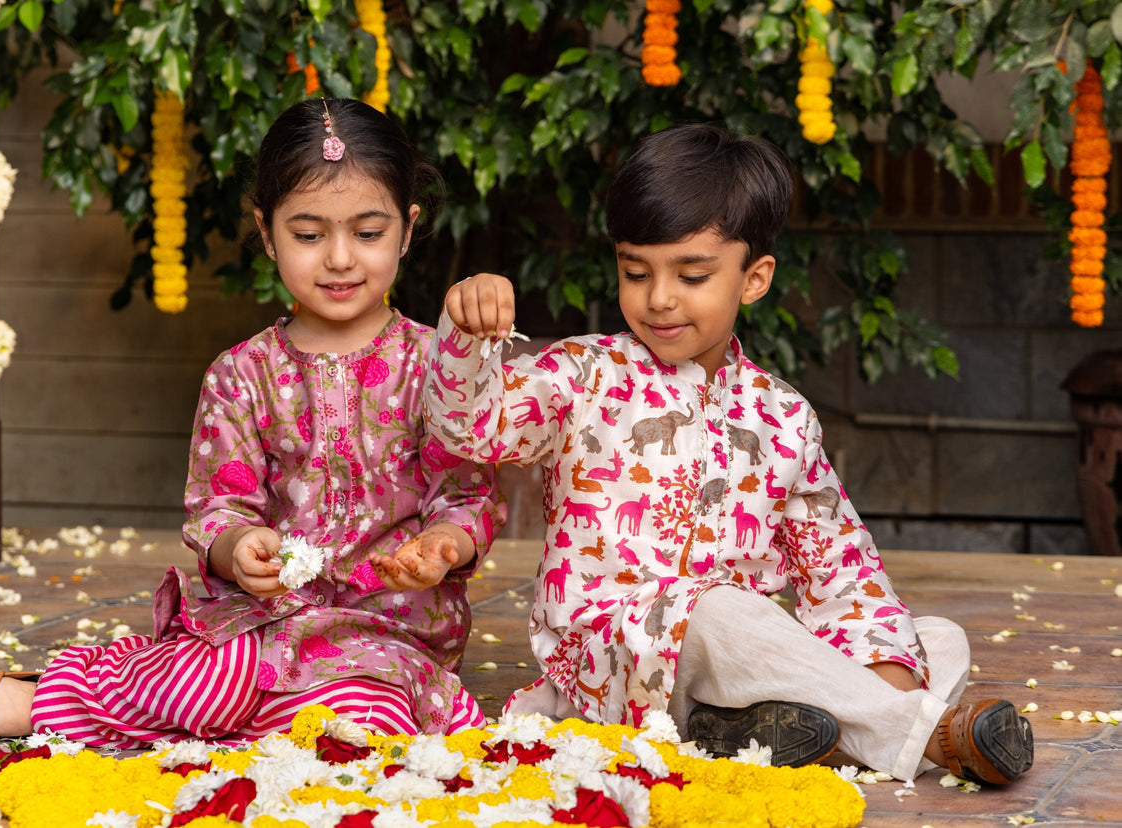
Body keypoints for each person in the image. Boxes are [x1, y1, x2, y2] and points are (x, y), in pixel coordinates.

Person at [421, 123, 1033, 785]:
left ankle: (761, 729)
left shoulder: (784, 417)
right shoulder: (581, 375)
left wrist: (883, 663)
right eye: (635, 271)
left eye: (691, 274)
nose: (659, 298)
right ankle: (923, 733)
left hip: (735, 665)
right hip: (611, 670)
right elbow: (469, 427)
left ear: (754, 278)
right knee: (719, 611)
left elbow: (841, 563)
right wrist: (465, 334)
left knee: (936, 638)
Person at [0, 98, 505, 749]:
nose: (341, 259)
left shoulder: (436, 366)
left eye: (368, 234)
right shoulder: (240, 374)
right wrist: (240, 552)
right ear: (267, 233)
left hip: (390, 633)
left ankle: (263, 727)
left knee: (368, 721)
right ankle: (42, 698)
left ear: (406, 229)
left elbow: (466, 493)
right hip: (260, 623)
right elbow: (220, 509)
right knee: (213, 683)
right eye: (309, 235)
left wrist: (443, 548)